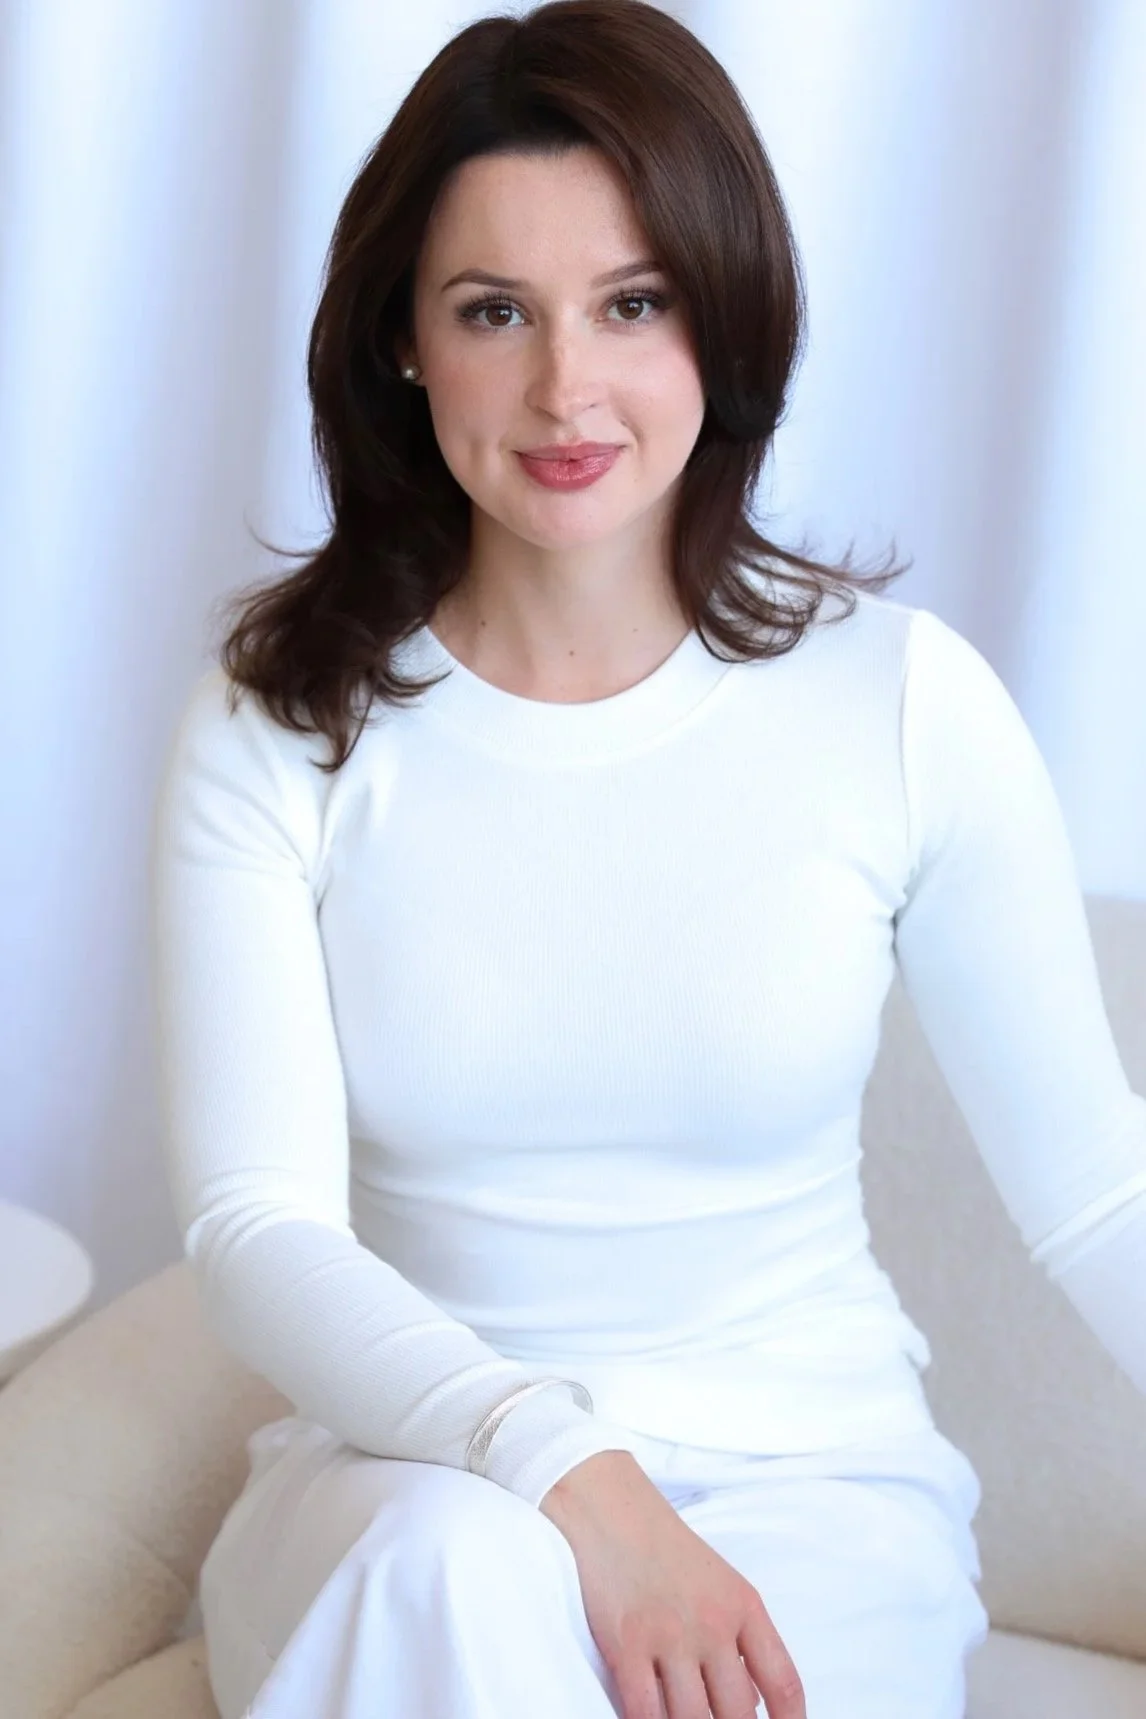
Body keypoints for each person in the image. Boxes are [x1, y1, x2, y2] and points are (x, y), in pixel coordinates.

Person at [149, 4, 1146, 1717]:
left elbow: (1096, 1195)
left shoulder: (898, 702)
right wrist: (559, 1465)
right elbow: (255, 1223)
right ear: (402, 342)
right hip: (412, 1477)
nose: (564, 388)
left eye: (632, 303)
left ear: (721, 313)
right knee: (448, 1578)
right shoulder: (282, 716)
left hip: (811, 1488)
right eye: (492, 313)